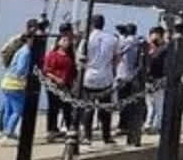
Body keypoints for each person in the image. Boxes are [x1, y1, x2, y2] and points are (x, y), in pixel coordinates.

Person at [0, 21, 37, 144]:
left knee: (8, 108)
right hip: (16, 84)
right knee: (18, 110)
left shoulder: (20, 49)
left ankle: (4, 131)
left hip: (6, 81)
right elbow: (20, 70)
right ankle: (8, 133)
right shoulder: (26, 52)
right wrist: (26, 77)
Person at [81, 14, 119, 145]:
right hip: (106, 77)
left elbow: (80, 58)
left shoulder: (87, 39)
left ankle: (87, 136)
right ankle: (106, 136)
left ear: (92, 24)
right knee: (105, 109)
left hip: (89, 76)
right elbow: (116, 59)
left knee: (88, 108)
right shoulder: (112, 39)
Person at [42, 33, 76, 142]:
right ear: (58, 42)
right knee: (53, 108)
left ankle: (70, 129)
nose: (66, 42)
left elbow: (73, 71)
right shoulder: (52, 55)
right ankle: (51, 130)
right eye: (64, 40)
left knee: (67, 108)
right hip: (54, 86)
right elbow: (46, 70)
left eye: (68, 40)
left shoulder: (70, 56)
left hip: (67, 86)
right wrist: (56, 79)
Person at [114, 24, 142, 146]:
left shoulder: (128, 42)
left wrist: (120, 36)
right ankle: (128, 124)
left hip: (123, 75)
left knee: (122, 101)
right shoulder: (139, 42)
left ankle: (123, 125)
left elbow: (117, 53)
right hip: (133, 75)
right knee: (130, 102)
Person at [144, 26, 168, 134]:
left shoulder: (164, 48)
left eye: (153, 34)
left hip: (159, 78)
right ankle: (149, 124)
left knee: (158, 104)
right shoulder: (150, 47)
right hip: (149, 79)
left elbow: (156, 60)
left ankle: (158, 126)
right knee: (150, 104)